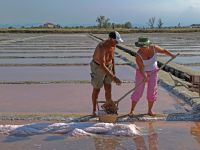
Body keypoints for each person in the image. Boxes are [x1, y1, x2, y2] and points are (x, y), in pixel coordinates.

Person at [129, 37, 176, 116]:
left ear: (148, 45)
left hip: (153, 71)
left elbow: (164, 51)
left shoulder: (154, 48)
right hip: (141, 72)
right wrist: (145, 76)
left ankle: (150, 110)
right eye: (141, 47)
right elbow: (141, 68)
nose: (143, 48)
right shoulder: (138, 55)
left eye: (144, 46)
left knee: (152, 91)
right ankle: (132, 110)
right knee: (138, 91)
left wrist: (172, 55)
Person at [90, 31, 123, 116]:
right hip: (98, 67)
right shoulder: (102, 47)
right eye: (116, 41)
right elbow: (102, 65)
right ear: (111, 39)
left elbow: (112, 59)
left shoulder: (113, 45)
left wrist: (114, 73)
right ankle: (94, 110)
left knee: (108, 87)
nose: (117, 43)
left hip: (108, 66)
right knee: (97, 88)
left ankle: (108, 106)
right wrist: (114, 77)